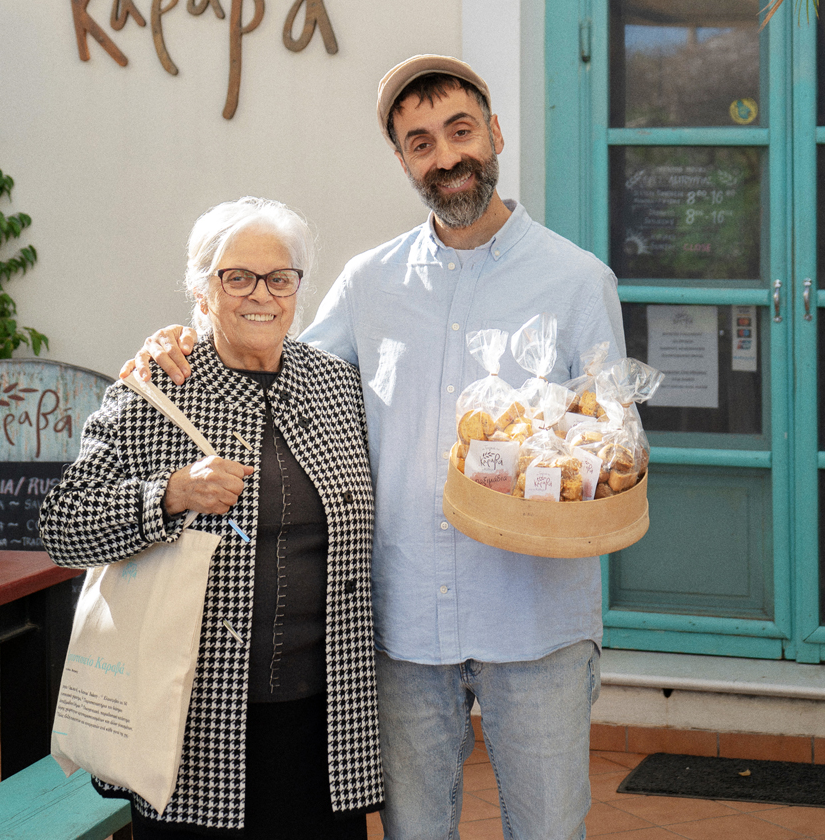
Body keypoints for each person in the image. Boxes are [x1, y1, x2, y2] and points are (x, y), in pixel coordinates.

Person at [126, 56, 627, 840]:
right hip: (405, 627)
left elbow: (611, 445)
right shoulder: (369, 283)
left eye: (460, 131)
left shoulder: (577, 280)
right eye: (420, 142)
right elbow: (273, 359)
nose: (446, 156)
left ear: (495, 133)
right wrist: (181, 336)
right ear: (403, 160)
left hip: (536, 622)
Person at [40, 197, 383, 840]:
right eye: (238, 277)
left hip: (325, 719)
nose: (262, 294)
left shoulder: (337, 386)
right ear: (202, 289)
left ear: (298, 289)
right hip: (192, 726)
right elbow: (62, 525)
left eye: (280, 278)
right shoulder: (155, 389)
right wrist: (169, 495)